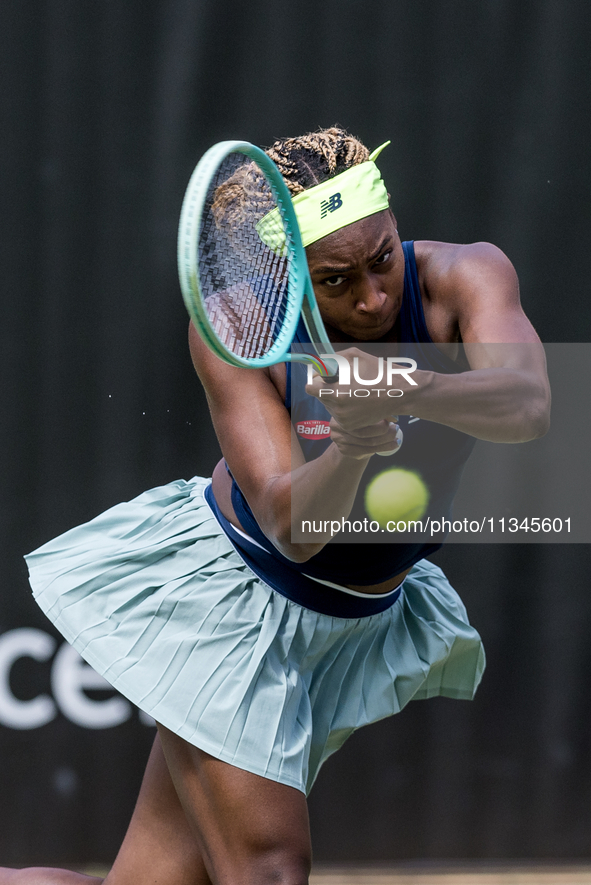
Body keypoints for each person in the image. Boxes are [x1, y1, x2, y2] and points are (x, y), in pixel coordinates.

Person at [3, 127, 550, 885]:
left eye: (382, 258)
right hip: (240, 604)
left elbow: (527, 405)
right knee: (268, 870)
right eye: (334, 279)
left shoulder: (466, 275)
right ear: (290, 268)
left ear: (395, 227)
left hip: (350, 618)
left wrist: (405, 385)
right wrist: (353, 445)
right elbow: (291, 528)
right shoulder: (232, 326)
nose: (371, 294)